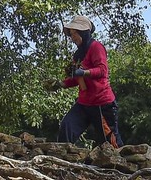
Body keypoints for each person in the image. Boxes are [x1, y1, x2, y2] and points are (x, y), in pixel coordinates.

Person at [45, 15, 123, 147]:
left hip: (102, 104)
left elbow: (102, 70)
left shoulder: (96, 47)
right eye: (71, 34)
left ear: (83, 32)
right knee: (67, 126)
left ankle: (123, 165)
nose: (73, 37)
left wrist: (84, 72)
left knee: (109, 142)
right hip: (84, 103)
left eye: (75, 33)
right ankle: (62, 160)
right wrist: (60, 84)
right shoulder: (77, 55)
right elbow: (75, 78)